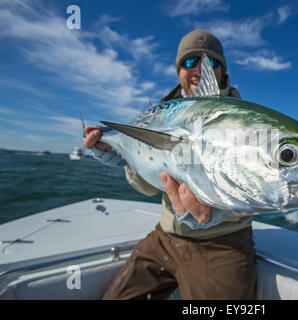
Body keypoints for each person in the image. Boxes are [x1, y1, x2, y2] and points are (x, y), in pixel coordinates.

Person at [83, 30, 257, 300]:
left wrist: (221, 210)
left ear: (223, 71)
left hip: (224, 244)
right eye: (189, 62)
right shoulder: (156, 117)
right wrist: (116, 155)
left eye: (211, 62)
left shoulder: (247, 123)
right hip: (165, 235)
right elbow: (151, 187)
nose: (199, 69)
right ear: (178, 71)